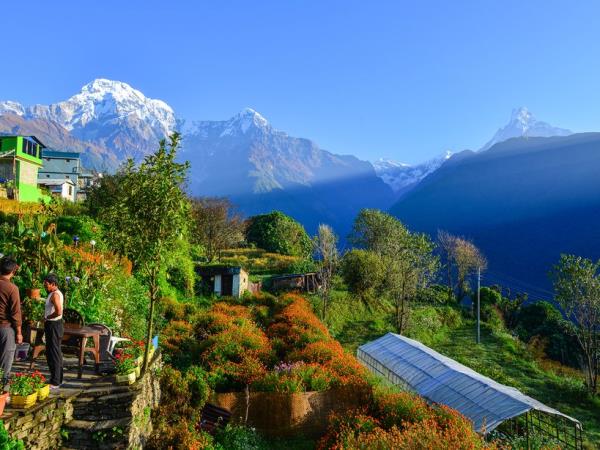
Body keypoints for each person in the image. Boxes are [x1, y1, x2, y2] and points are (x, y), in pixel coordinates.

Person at [0, 256, 22, 383]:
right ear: (13, 271)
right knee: (5, 363)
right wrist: (19, 333)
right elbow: (15, 313)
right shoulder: (12, 288)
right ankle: (2, 391)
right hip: (5, 329)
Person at [43, 274, 64, 388]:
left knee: (54, 353)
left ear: (53, 284)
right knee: (53, 352)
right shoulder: (53, 293)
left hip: (54, 325)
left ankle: (56, 381)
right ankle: (56, 378)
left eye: (46, 284)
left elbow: (59, 311)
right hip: (54, 325)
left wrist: (48, 318)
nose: (44, 286)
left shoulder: (55, 294)